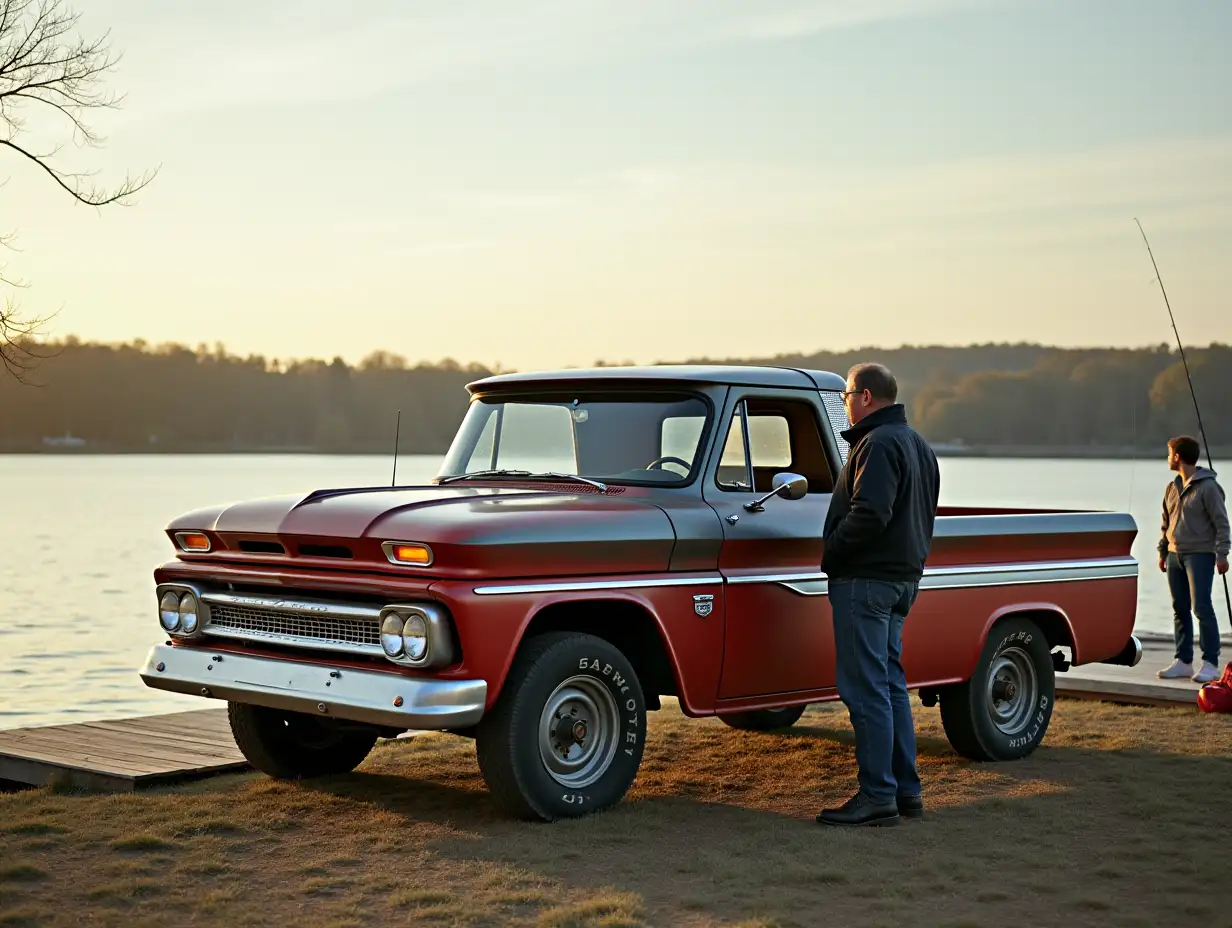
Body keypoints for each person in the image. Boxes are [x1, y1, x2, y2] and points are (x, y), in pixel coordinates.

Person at [817, 362, 940, 827]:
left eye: (847, 394)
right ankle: (906, 792)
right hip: (902, 580)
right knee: (889, 686)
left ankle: (876, 796)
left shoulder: (878, 442)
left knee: (865, 689)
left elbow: (871, 513)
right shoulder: (919, 445)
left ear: (865, 396)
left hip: (865, 580)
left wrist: (833, 550)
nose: (845, 403)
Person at [1155, 435, 1230, 684]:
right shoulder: (1171, 487)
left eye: (1169, 453)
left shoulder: (1208, 487)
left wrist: (1222, 554)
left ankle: (1210, 663)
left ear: (1177, 456)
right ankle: (1184, 661)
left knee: (1202, 608)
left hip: (1200, 555)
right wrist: (1162, 551)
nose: (1167, 458)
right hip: (1175, 555)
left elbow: (1222, 524)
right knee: (1180, 609)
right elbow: (1166, 522)